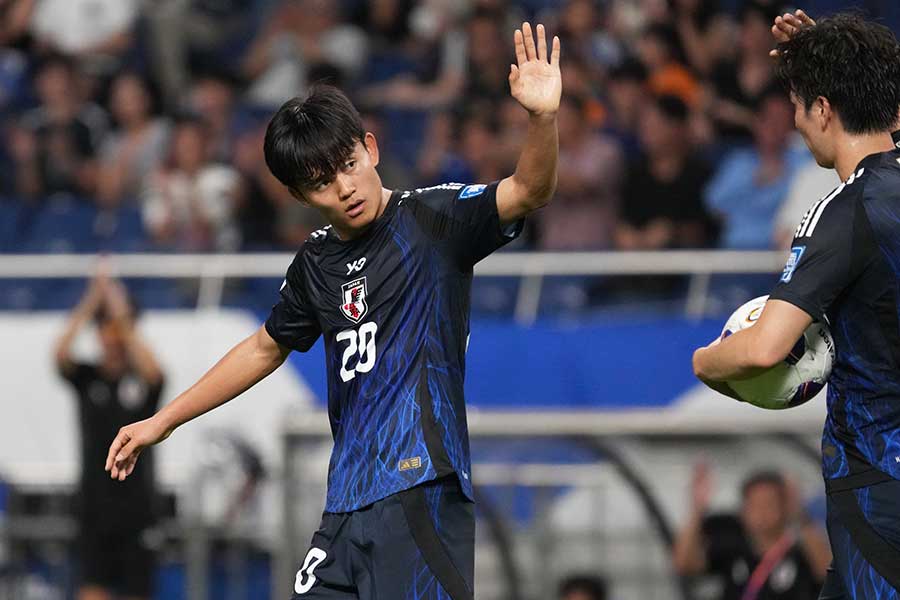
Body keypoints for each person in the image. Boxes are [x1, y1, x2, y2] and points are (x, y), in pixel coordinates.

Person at [105, 22, 561, 600]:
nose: (344, 187)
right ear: (301, 196)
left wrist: (542, 120)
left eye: (348, 164)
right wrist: (161, 420)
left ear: (370, 149)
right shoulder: (316, 261)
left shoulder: (435, 220)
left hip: (419, 486)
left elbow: (529, 190)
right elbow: (262, 347)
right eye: (322, 183)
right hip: (345, 505)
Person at [693, 13, 900, 598]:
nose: (797, 123)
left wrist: (705, 361)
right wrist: (822, 56)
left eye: (800, 105)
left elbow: (765, 348)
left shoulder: (843, 212)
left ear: (825, 111)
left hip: (879, 484)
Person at [55, 268, 164, 600]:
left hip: (136, 508)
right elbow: (60, 355)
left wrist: (122, 316)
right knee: (92, 589)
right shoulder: (88, 378)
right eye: (106, 329)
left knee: (136, 591)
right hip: (93, 507)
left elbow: (156, 375)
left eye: (116, 329)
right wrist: (92, 301)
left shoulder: (140, 380)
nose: (112, 336)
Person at [673, 465, 830, 600]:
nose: (761, 513)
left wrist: (798, 512)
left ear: (785, 506)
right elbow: (685, 564)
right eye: (753, 505)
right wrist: (697, 509)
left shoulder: (801, 550)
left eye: (768, 504)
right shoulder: (733, 547)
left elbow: (830, 573)